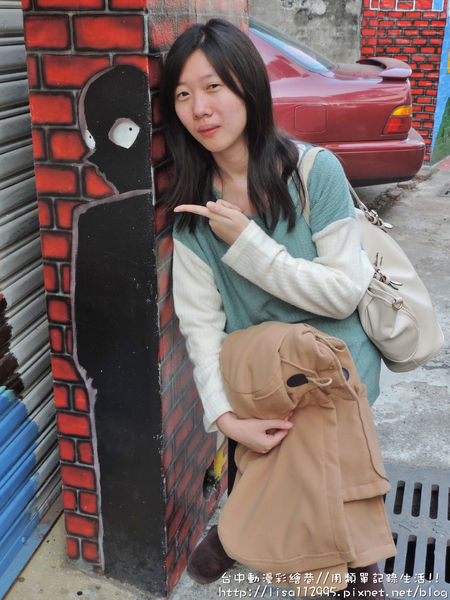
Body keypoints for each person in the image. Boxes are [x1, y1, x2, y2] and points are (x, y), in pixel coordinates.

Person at [161, 18, 386, 593]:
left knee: (336, 511)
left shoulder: (313, 173)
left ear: (248, 86)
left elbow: (344, 290)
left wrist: (250, 245)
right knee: (284, 477)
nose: (199, 108)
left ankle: (271, 544)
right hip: (263, 383)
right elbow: (201, 330)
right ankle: (246, 533)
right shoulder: (193, 217)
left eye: (213, 87)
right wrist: (226, 421)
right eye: (183, 95)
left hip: (338, 378)